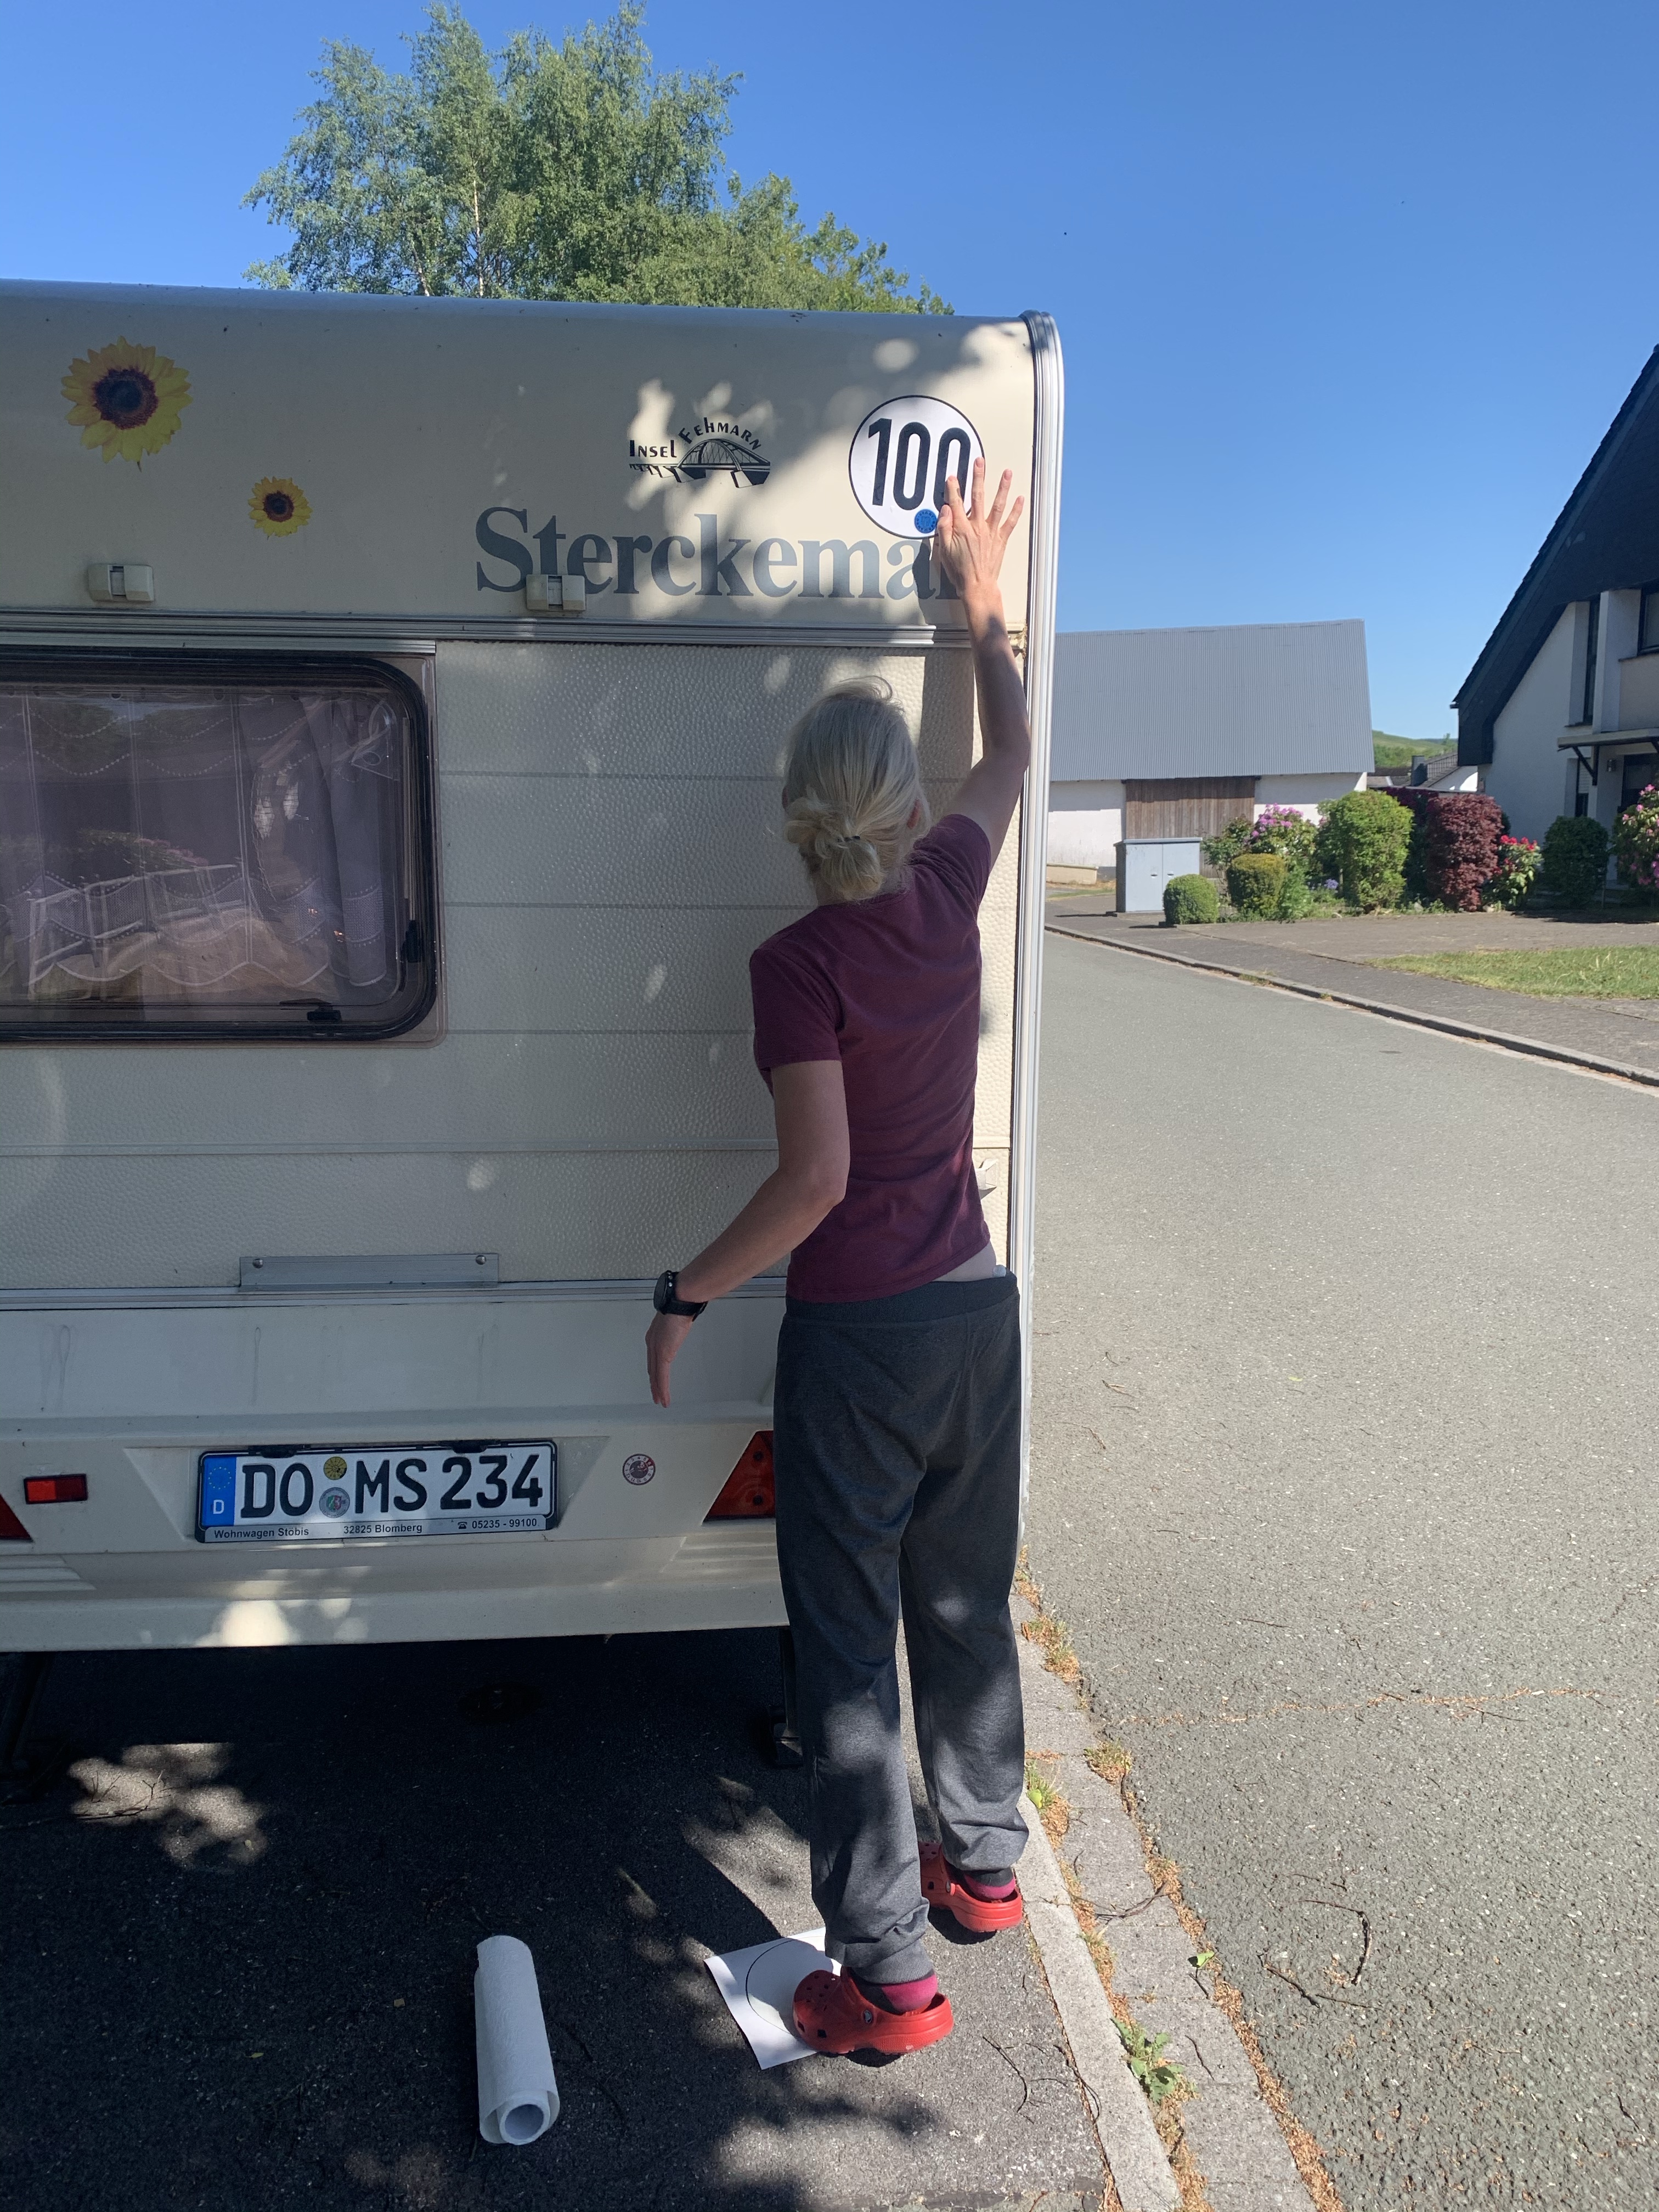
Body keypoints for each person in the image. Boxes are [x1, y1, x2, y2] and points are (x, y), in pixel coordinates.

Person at [645, 458, 1031, 2058]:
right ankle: (985, 1869)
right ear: (902, 813)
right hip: (978, 1318)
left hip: (863, 1342)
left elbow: (817, 1182)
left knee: (848, 1653)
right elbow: (1009, 757)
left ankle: (884, 1982)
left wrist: (687, 1291)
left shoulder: (795, 962)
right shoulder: (948, 892)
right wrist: (980, 609)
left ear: (799, 818)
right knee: (965, 1602)